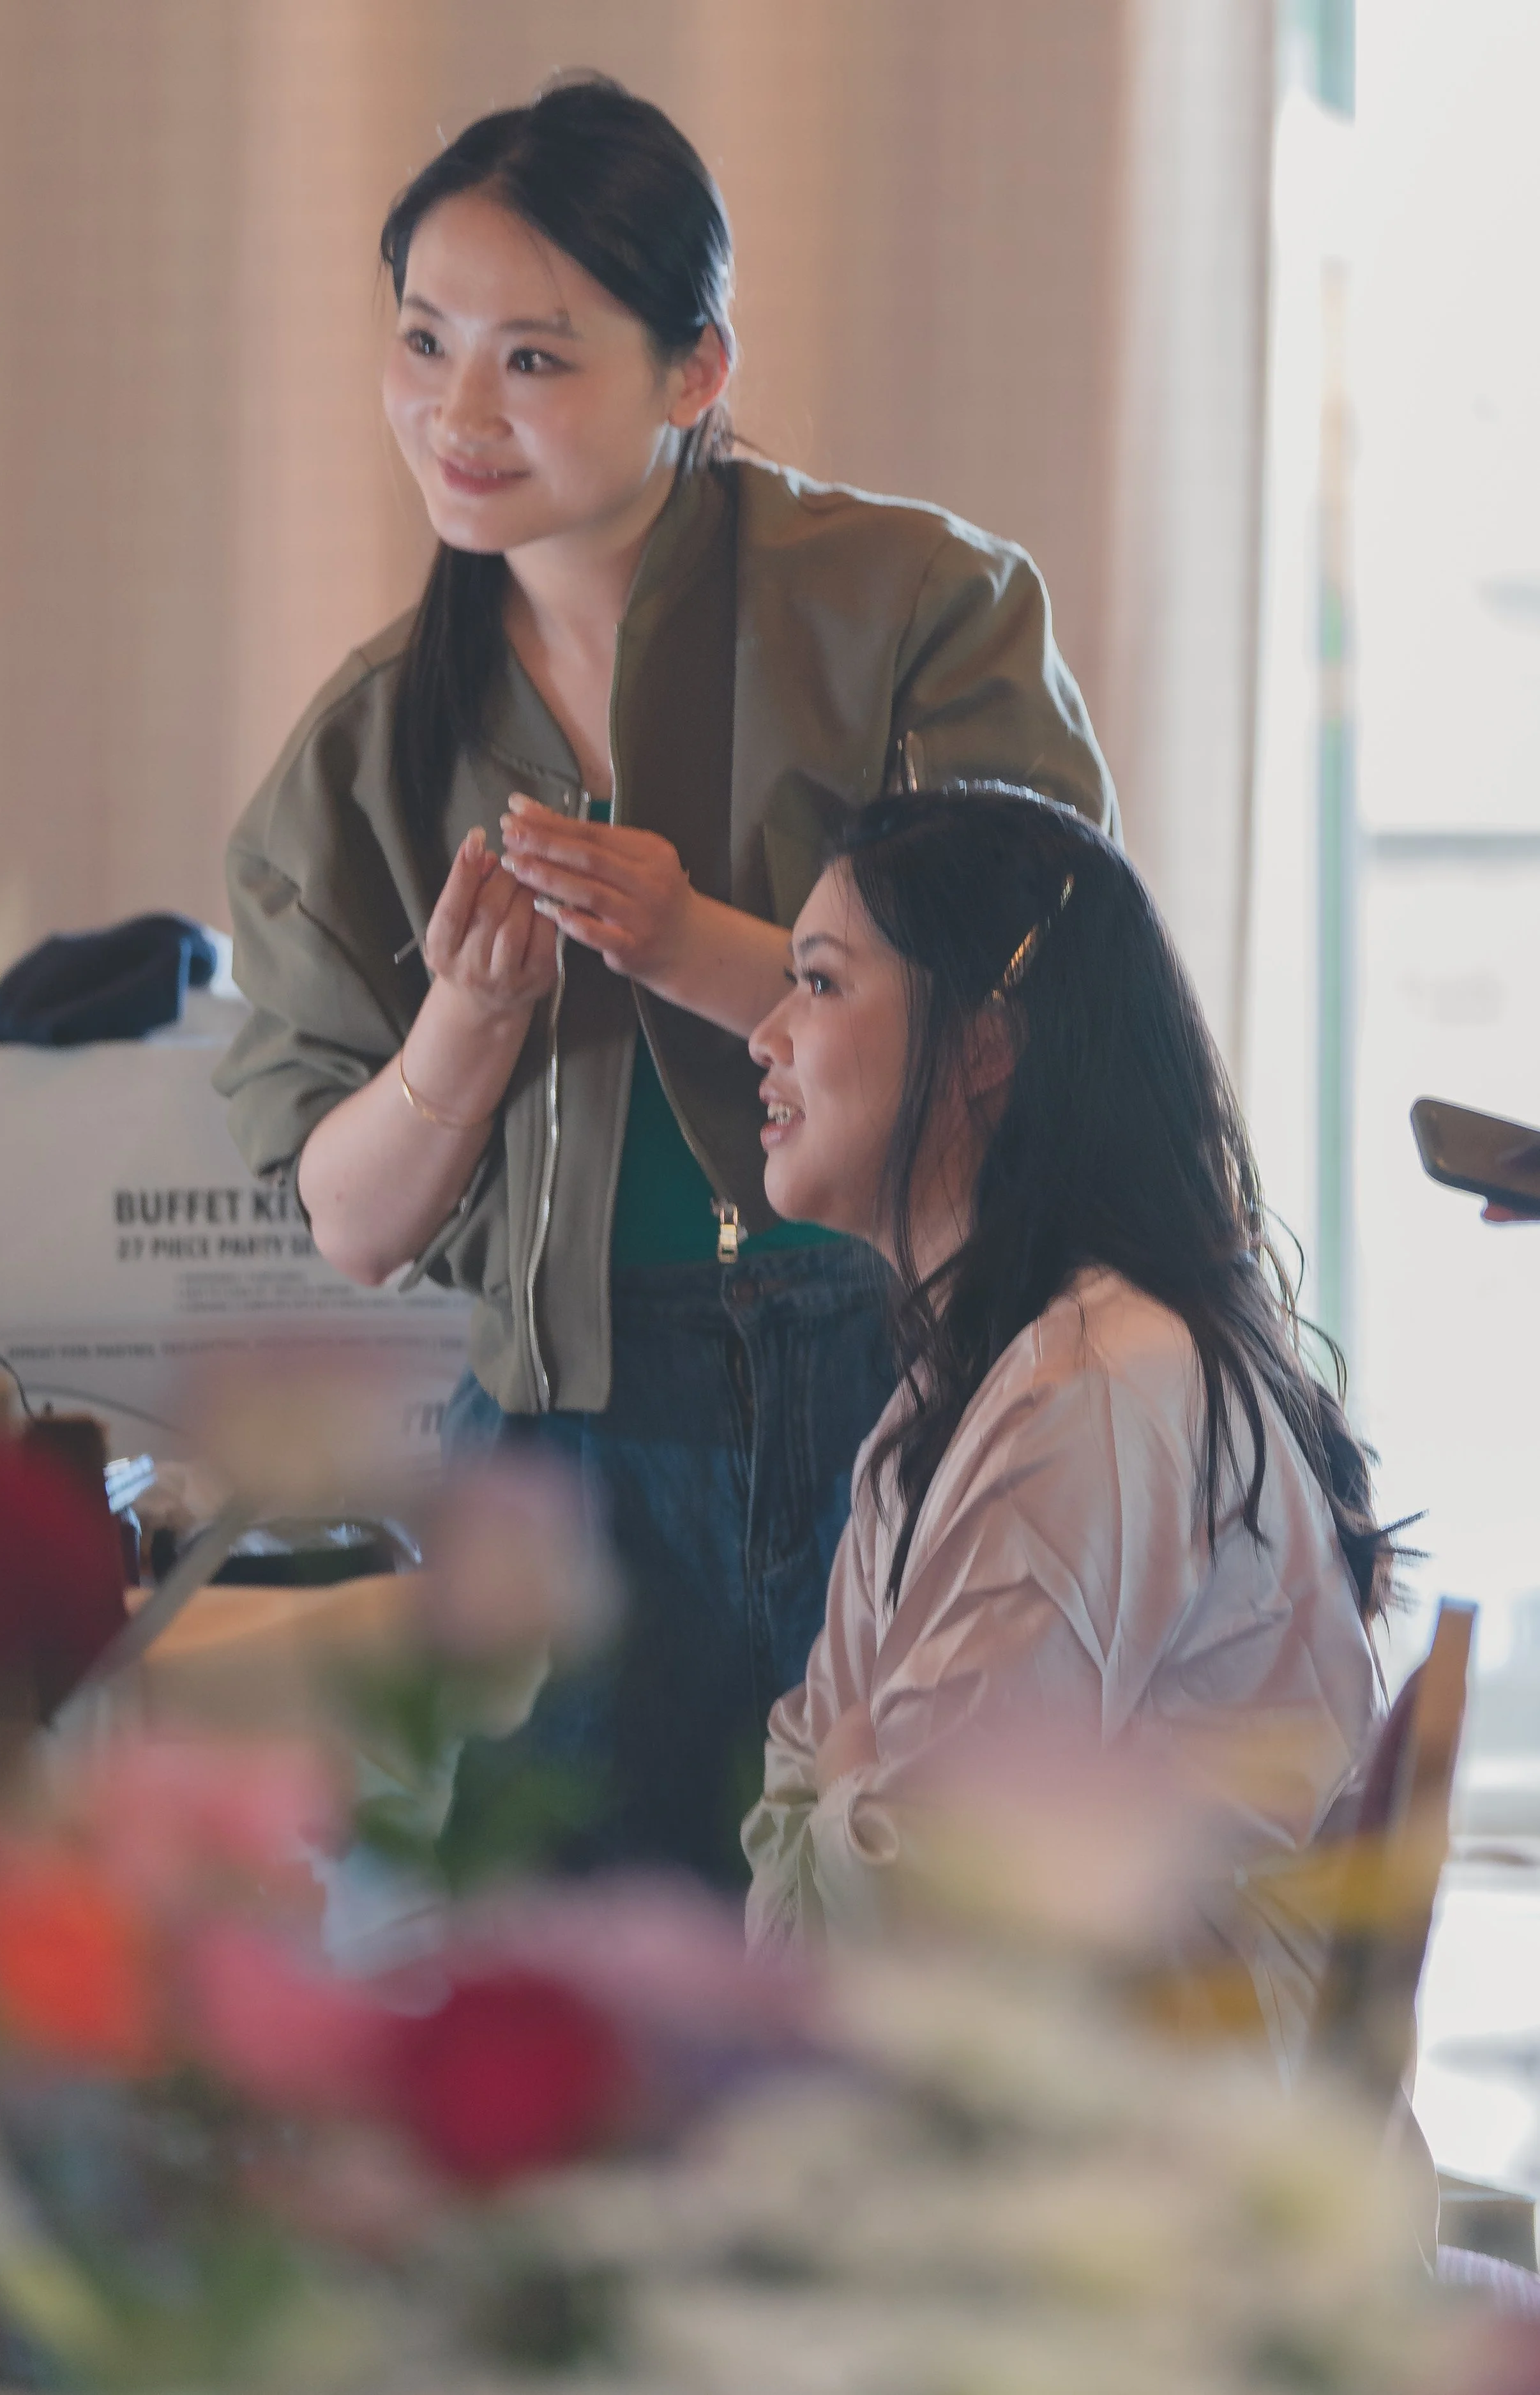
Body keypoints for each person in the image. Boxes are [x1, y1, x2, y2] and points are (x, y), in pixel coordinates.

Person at [214, 76, 1114, 1883]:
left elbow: (1052, 989)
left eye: (534, 360)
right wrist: (460, 1037)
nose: (457, 412)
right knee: (583, 1993)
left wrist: (690, 938)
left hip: (907, 1369)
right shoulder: (370, 743)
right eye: (423, 340)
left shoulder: (916, 604)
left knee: (917, 1950)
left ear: (693, 370)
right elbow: (346, 1217)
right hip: (568, 1424)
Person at [742, 789, 1388, 2056]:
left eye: (817, 985)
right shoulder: (992, 1372)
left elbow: (913, 1902)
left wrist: (849, 1792)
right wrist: (848, 1795)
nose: (762, 1035)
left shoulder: (1088, 1386)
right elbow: (826, 1818)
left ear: (983, 1043)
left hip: (1153, 2178)